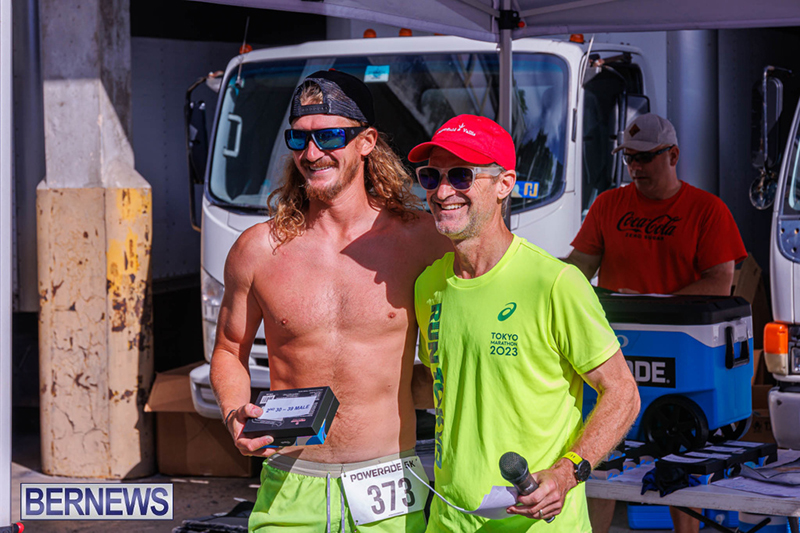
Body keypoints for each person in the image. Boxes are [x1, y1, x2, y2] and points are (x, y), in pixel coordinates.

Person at [209, 70, 450, 533]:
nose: (312, 153)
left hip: (388, 483)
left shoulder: (422, 242)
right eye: (298, 138)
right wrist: (234, 412)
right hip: (291, 483)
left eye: (330, 136)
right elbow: (228, 349)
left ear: (366, 142)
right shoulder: (258, 249)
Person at [409, 114, 640, 532]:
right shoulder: (428, 285)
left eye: (461, 176)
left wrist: (568, 472)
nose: (442, 192)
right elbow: (448, 385)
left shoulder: (553, 282)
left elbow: (622, 392)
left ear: (504, 184)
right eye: (431, 176)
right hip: (448, 521)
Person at [565, 113, 747, 533]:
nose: (636, 167)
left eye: (645, 158)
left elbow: (720, 283)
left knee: (680, 459)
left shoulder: (707, 210)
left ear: (673, 155)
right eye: (629, 158)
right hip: (615, 346)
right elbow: (578, 268)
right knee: (603, 457)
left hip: (683, 353)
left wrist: (652, 304)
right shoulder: (609, 204)